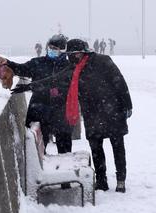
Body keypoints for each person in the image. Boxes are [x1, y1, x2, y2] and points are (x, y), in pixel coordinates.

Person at [11, 39, 132, 193]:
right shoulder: (73, 69)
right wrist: (28, 87)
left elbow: (119, 82)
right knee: (96, 148)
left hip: (112, 110)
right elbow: (52, 81)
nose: (71, 58)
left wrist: (127, 104)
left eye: (73, 54)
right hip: (92, 114)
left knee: (118, 146)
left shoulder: (103, 61)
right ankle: (101, 181)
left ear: (82, 52)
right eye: (69, 55)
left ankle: (121, 180)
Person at [0, 34, 73, 157]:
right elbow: (22, 69)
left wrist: (50, 90)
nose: (51, 50)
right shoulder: (38, 62)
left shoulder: (69, 67)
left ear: (63, 50)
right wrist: (8, 63)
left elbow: (65, 88)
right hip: (38, 108)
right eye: (50, 47)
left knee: (64, 146)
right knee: (34, 146)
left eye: (55, 48)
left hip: (60, 110)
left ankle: (67, 168)